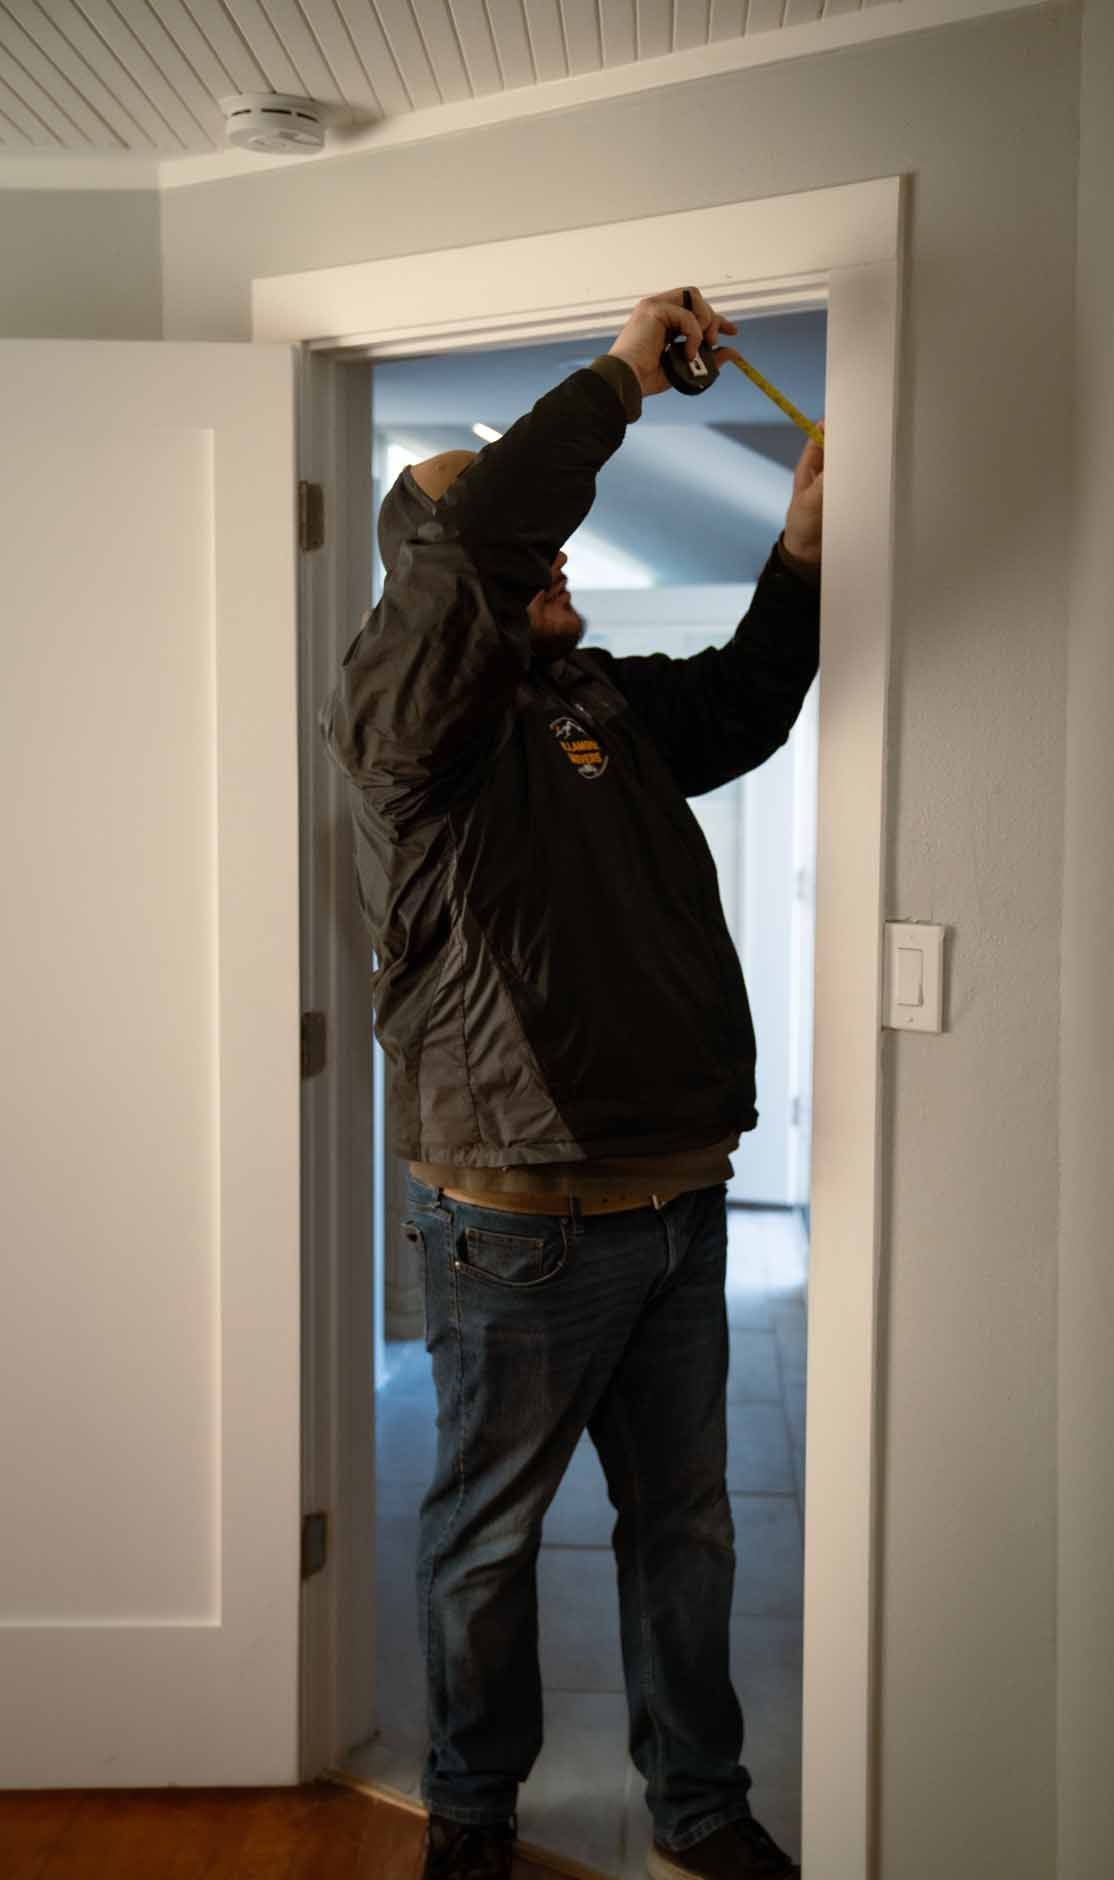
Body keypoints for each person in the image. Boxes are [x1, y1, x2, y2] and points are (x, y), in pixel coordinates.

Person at [320, 288, 823, 1880]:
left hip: (676, 1197)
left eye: (547, 547)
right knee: (486, 1537)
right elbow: (482, 539)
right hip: (515, 1218)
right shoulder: (407, 726)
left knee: (685, 1532)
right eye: (506, 543)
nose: (551, 559)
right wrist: (616, 377)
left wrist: (801, 550)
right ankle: (471, 1819)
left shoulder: (594, 701)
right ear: (428, 582)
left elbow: (746, 699)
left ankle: (698, 1809)